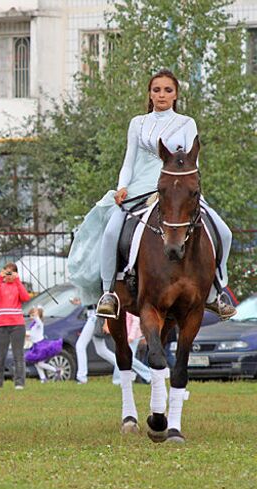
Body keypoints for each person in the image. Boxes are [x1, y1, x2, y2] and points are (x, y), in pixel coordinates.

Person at [67, 69, 233, 320]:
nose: (162, 94)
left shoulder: (187, 123)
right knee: (112, 230)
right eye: (156, 90)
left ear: (175, 94)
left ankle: (217, 290)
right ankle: (109, 292)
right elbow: (129, 161)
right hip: (140, 187)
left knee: (225, 232)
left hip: (177, 189)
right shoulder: (138, 123)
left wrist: (191, 191)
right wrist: (122, 186)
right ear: (150, 94)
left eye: (168, 90)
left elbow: (192, 162)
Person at [0, 262, 30, 391]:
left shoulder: (18, 286)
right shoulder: (0, 285)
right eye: (7, 272)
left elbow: (25, 297)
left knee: (18, 355)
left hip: (17, 325)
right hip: (2, 325)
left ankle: (19, 383)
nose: (9, 275)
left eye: (11, 272)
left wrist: (17, 281)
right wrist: (0, 279)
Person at [73, 299, 118, 384]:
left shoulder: (97, 288)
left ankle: (81, 377)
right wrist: (81, 302)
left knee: (80, 345)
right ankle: (124, 365)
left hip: (94, 317)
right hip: (94, 316)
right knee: (101, 350)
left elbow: (98, 300)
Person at [25, 306, 61, 383]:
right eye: (31, 315)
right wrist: (26, 335)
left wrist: (36, 315)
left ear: (37, 315)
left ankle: (55, 370)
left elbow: (38, 322)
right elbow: (32, 335)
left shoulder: (39, 323)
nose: (31, 317)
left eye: (33, 315)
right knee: (37, 363)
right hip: (35, 346)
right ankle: (43, 378)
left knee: (40, 363)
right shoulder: (33, 325)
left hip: (41, 346)